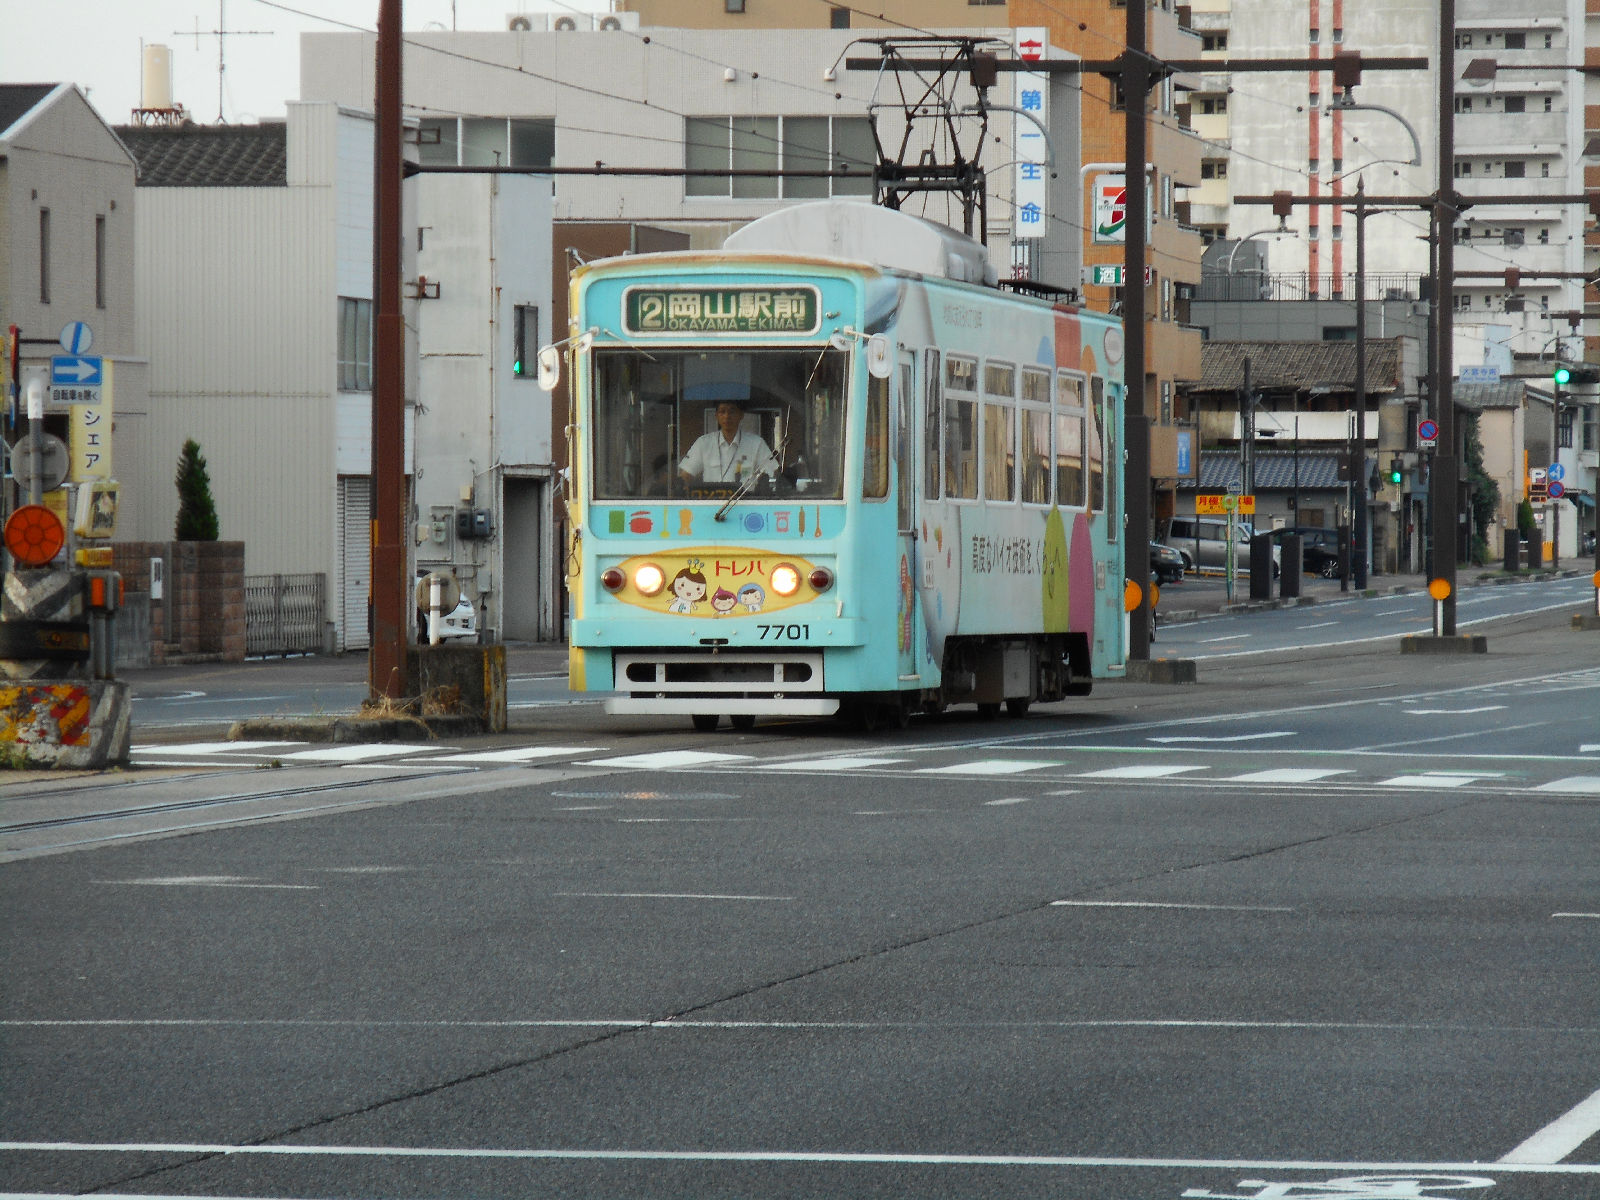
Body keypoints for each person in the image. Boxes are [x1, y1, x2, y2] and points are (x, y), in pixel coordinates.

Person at [679, 400, 779, 485]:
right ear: (716, 416)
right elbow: (685, 475)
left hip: (746, 502)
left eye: (732, 412)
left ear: (741, 415)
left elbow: (774, 472)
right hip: (711, 503)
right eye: (722, 412)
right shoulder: (703, 443)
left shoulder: (756, 443)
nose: (727, 416)